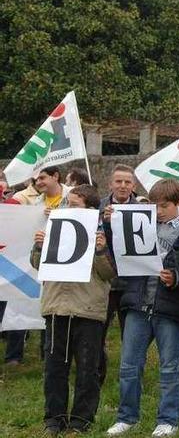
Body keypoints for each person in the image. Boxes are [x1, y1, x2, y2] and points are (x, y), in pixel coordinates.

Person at [106, 179, 179, 437]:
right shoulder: (140, 224)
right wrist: (111, 226)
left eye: (164, 206)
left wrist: (177, 279)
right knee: (129, 365)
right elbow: (119, 255)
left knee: (169, 367)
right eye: (155, 206)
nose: (159, 211)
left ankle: (168, 420)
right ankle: (126, 417)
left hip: (171, 307)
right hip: (137, 303)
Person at [31, 185, 115, 435]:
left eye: (75, 204)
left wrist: (101, 250)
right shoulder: (53, 229)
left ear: (90, 209)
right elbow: (37, 265)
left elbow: (110, 273)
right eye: (67, 203)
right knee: (55, 368)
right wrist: (39, 247)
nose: (68, 208)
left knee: (88, 369)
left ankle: (81, 420)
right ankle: (54, 420)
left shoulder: (102, 235)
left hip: (88, 310)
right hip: (57, 308)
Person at [3, 166, 70, 365]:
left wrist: (59, 215)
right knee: (23, 302)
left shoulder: (72, 196)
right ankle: (14, 356)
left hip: (61, 262)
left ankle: (46, 355)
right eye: (36, 179)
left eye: (42, 178)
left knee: (51, 308)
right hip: (34, 261)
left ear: (56, 176)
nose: (38, 183)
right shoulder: (34, 202)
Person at [98, 164, 139, 384]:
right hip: (105, 279)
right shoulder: (98, 207)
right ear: (110, 183)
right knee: (98, 331)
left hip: (132, 280)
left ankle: (131, 376)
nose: (123, 186)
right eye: (118, 181)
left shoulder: (143, 208)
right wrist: (103, 223)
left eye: (127, 182)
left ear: (133, 185)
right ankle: (98, 374)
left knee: (130, 334)